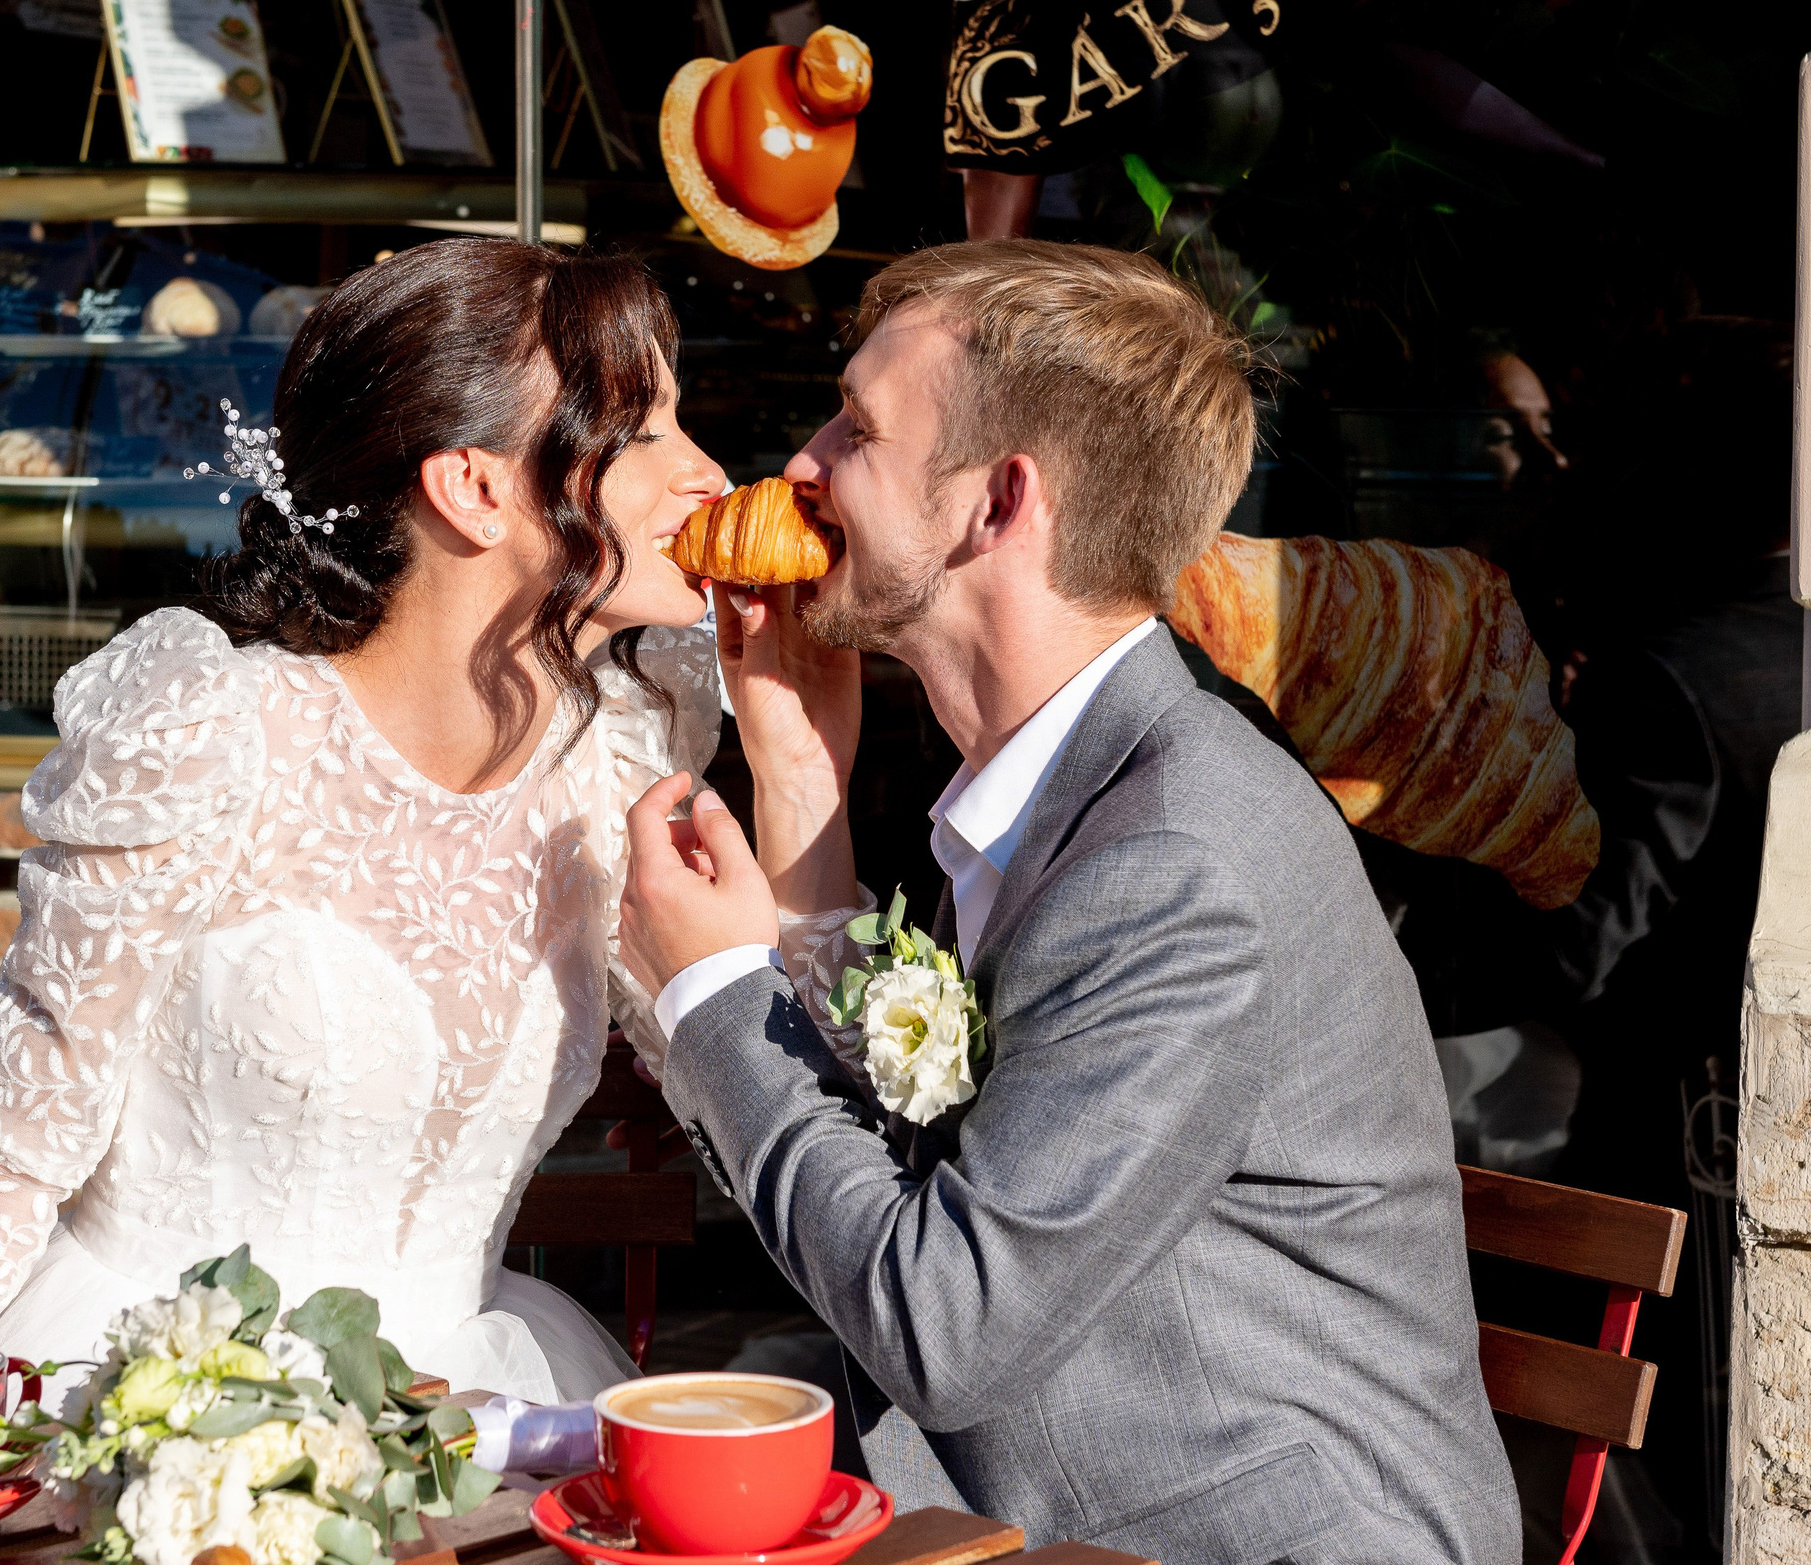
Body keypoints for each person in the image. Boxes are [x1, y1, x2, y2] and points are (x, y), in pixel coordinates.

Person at [617, 240, 1518, 1564]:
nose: (802, 463)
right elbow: (939, 1168)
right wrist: (801, 783)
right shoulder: (1074, 785)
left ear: (999, 503)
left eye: (858, 427)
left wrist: (710, 991)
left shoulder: (1181, 859)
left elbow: (945, 1324)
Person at [0, 237, 748, 1410]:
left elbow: (758, 1114)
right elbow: (13, 1145)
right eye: (644, 435)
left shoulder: (621, 749)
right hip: (154, 1403)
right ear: (473, 487)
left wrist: (799, 762)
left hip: (471, 1406)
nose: (710, 474)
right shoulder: (206, 728)